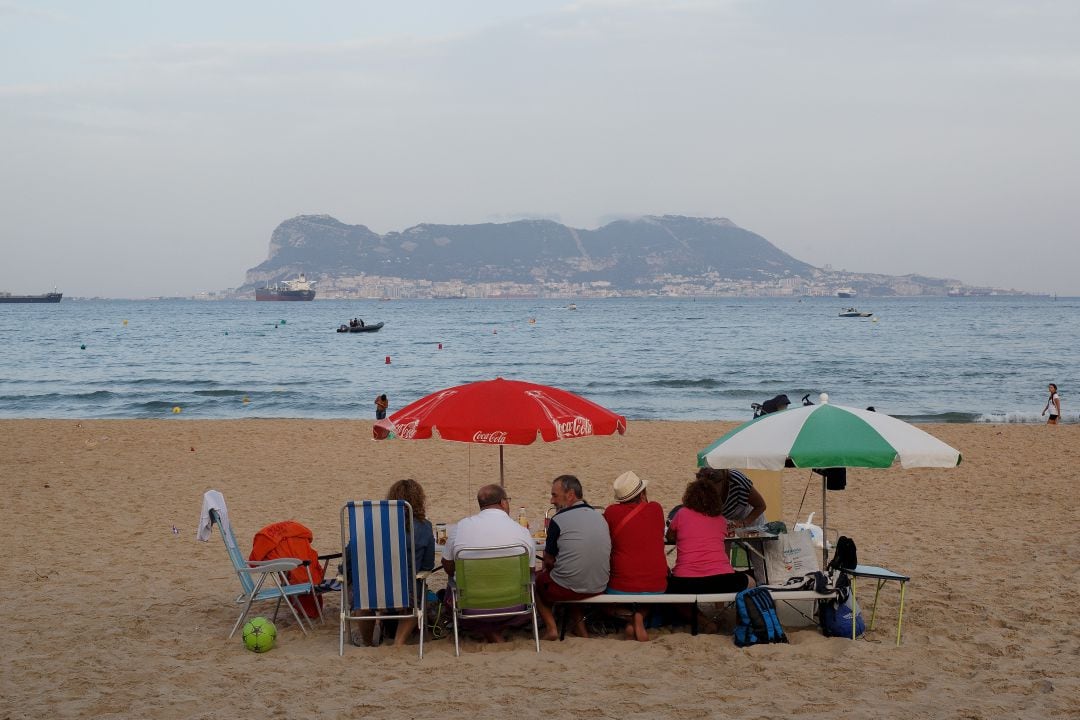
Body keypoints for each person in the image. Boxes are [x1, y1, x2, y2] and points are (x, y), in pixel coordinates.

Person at [440, 484, 535, 644]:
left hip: (471, 606)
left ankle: (490, 632)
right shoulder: (521, 531)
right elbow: (530, 571)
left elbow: (448, 567)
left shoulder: (461, 527)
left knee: (453, 586)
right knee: (533, 581)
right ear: (503, 502)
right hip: (515, 606)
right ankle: (495, 632)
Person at [666, 477, 754, 630]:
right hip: (720, 580)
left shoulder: (682, 514)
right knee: (751, 582)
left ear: (689, 496)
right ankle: (740, 623)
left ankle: (704, 621)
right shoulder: (721, 520)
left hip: (686, 581)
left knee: (667, 589)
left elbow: (670, 536)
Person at [357, 478, 434, 647]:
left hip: (370, 592)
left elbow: (352, 555)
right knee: (415, 595)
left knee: (362, 598)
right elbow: (428, 566)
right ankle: (399, 642)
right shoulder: (424, 526)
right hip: (406, 593)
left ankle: (367, 643)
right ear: (419, 500)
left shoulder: (369, 523)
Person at [535, 475, 611, 640]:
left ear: (570, 495)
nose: (551, 500)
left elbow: (548, 560)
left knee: (537, 581)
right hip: (599, 585)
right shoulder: (600, 517)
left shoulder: (558, 520)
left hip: (572, 587)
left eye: (554, 495)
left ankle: (551, 628)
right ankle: (581, 630)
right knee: (570, 573)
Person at [603, 471, 667, 641]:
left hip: (621, 584)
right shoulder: (656, 508)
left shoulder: (611, 512)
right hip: (656, 584)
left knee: (603, 602)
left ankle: (630, 617)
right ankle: (639, 616)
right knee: (650, 596)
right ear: (642, 493)